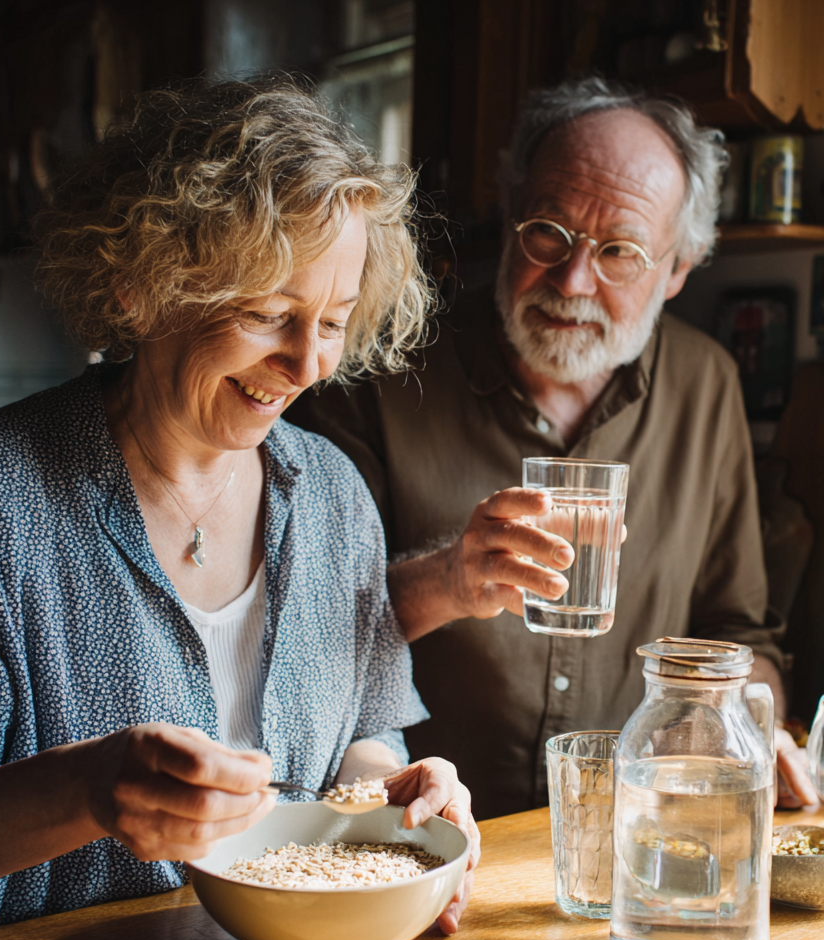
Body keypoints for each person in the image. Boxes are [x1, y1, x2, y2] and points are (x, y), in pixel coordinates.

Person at [0, 78, 479, 940]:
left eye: (333, 321)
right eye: (268, 315)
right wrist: (90, 790)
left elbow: (364, 736)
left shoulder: (332, 494)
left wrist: (398, 799)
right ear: (143, 285)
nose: (307, 365)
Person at [288, 77, 817, 819]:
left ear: (677, 271)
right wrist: (449, 579)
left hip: (632, 834)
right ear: (508, 216)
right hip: (418, 832)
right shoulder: (380, 368)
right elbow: (299, 624)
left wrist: (750, 728)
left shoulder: (706, 383)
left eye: (620, 252)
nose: (573, 281)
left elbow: (737, 632)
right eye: (549, 232)